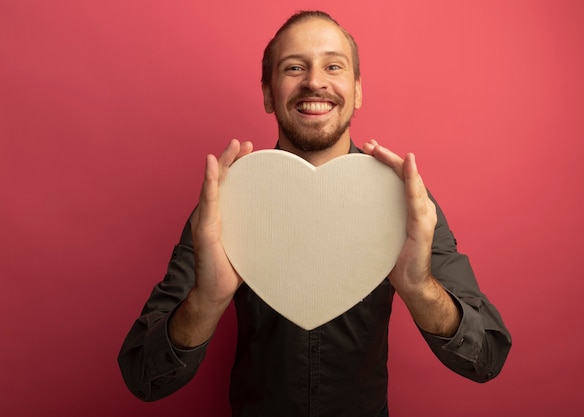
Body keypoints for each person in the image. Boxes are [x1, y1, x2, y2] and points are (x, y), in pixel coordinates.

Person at [118, 10, 512, 417]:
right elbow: (142, 376)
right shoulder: (228, 200)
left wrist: (419, 287)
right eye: (293, 67)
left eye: (333, 66)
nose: (314, 81)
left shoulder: (405, 201)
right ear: (269, 93)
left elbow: (486, 357)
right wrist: (207, 299)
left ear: (357, 90)